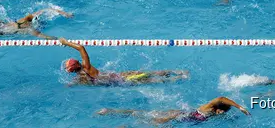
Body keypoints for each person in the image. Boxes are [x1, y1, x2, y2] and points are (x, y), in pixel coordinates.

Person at [59, 38, 189, 86]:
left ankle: (176, 76)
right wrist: (66, 42)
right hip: (119, 78)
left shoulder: (85, 71)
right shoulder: (83, 71)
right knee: (148, 75)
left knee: (148, 78)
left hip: (118, 80)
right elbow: (81, 48)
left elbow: (82, 48)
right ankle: (176, 74)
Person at [97, 97, 250, 122]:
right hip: (176, 115)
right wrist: (240, 107)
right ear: (218, 109)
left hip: (181, 118)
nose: (223, 114)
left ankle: (112, 112)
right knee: (144, 116)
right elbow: (221, 97)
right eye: (224, 111)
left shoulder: (216, 113)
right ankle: (110, 111)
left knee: (144, 116)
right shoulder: (209, 107)